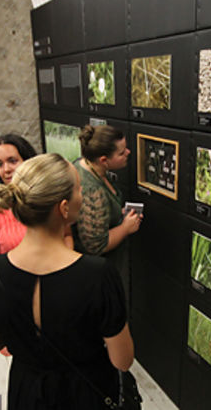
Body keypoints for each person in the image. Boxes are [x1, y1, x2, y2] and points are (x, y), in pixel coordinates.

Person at [0, 153, 134, 409]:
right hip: (87, 392)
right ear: (64, 207)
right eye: (79, 188)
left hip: (28, 392)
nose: (83, 195)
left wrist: (21, 334)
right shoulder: (98, 274)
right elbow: (122, 359)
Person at [73, 124, 141, 295]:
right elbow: (96, 245)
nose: (128, 153)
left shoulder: (82, 165)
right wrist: (125, 228)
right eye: (121, 152)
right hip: (99, 278)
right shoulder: (91, 192)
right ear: (104, 160)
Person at [0, 134, 38, 257]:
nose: (6, 169)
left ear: (28, 162)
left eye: (12, 161)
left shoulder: (47, 198)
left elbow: (66, 235)